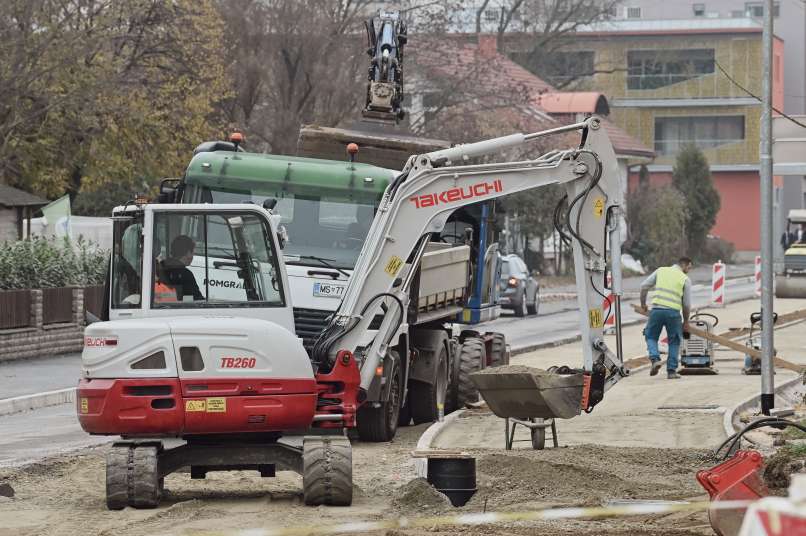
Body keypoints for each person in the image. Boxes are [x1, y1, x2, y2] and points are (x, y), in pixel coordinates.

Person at [639, 256, 693, 380]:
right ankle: (671, 371)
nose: (689, 270)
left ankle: (655, 359)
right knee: (674, 341)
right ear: (684, 265)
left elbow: (643, 286)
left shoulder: (661, 271)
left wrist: (643, 304)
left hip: (656, 311)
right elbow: (686, 304)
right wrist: (686, 322)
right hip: (673, 314)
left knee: (650, 336)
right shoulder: (685, 279)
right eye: (689, 267)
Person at [154, 235, 204, 303]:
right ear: (188, 253)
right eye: (193, 253)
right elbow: (198, 300)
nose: (193, 256)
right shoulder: (185, 274)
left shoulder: (160, 267)